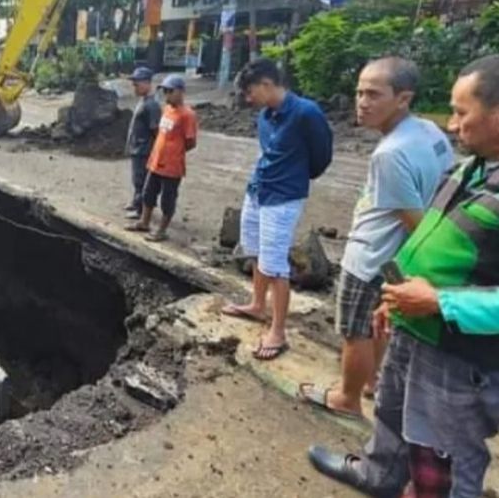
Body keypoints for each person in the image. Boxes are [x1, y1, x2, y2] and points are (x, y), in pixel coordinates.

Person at [309, 55, 499, 497]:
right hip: (415, 320)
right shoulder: (474, 167)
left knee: (442, 451)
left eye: (461, 112)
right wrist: (396, 296)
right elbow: (429, 234)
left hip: (458, 348)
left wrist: (440, 303)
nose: (451, 126)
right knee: (393, 412)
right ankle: (378, 476)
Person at [297, 58, 453, 419]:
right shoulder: (430, 132)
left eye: (373, 94)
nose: (362, 102)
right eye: (359, 92)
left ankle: (347, 399)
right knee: (381, 322)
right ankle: (371, 381)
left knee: (355, 330)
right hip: (397, 258)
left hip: (372, 257)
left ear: (403, 98)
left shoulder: (389, 154)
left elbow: (415, 222)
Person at [221, 58, 333, 360]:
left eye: (250, 92)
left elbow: (321, 157)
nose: (248, 99)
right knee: (255, 250)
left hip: (283, 198)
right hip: (259, 190)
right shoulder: (265, 116)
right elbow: (268, 152)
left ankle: (278, 330)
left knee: (275, 265)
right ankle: (258, 305)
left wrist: (294, 176)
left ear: (267, 85)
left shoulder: (305, 113)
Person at [125, 74, 197, 241]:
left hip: (172, 166)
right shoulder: (166, 110)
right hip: (156, 161)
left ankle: (162, 230)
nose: (166, 95)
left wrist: (175, 152)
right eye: (164, 91)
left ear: (180, 92)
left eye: (170, 91)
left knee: (167, 199)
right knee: (148, 193)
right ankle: (144, 222)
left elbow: (191, 142)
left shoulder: (187, 115)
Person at [124, 66, 162, 218]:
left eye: (137, 84)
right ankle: (136, 202)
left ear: (147, 83)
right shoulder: (143, 101)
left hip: (144, 150)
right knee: (137, 178)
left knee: (142, 181)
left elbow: (156, 130)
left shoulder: (151, 105)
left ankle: (141, 210)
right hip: (137, 148)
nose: (134, 87)